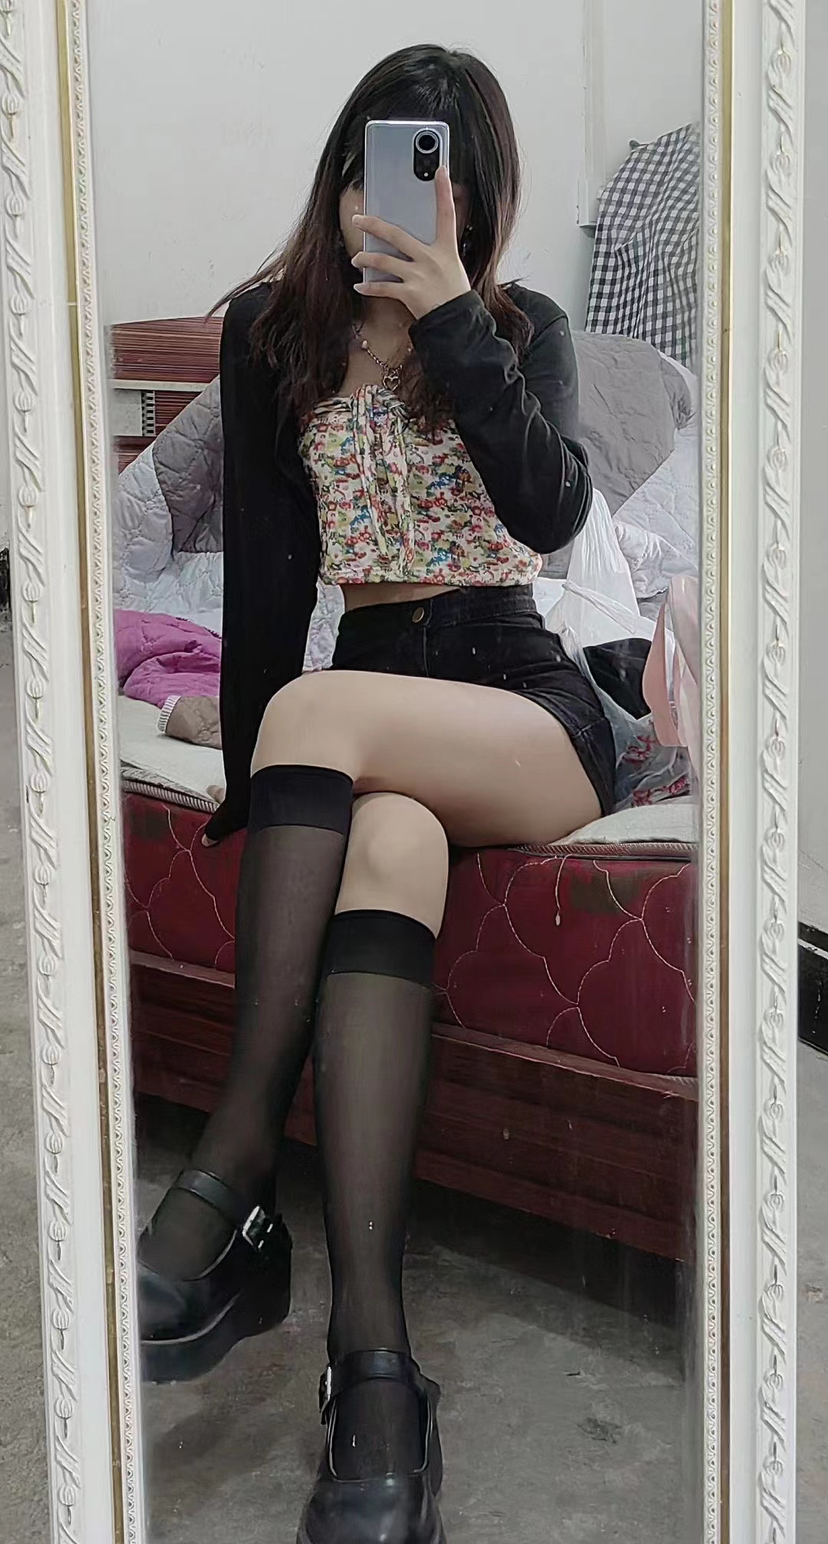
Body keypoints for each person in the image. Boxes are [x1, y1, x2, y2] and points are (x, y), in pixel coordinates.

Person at [137, 43, 616, 1544]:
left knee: (318, 712)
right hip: (375, 721)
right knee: (387, 847)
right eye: (381, 166)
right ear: (343, 177)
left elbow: (552, 509)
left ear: (478, 198)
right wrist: (258, 782)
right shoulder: (271, 335)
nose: (400, 198)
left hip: (522, 706)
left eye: (438, 177)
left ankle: (235, 1166)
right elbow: (270, 593)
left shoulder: (519, 330)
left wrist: (454, 313)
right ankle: (376, 1370)